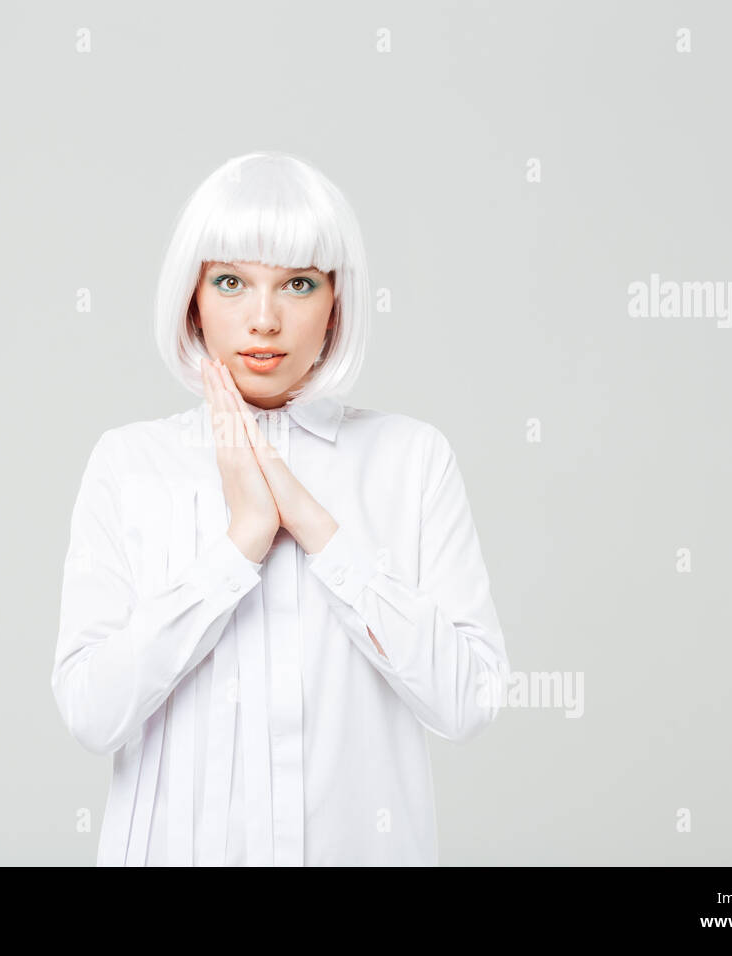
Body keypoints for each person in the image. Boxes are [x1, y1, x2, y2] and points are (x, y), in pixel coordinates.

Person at [51, 151, 510, 866]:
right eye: (231, 282)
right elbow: (91, 711)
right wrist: (240, 546)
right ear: (192, 298)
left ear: (336, 303)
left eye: (297, 283)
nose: (263, 320)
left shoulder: (411, 459)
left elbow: (469, 699)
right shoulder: (129, 463)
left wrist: (320, 533)